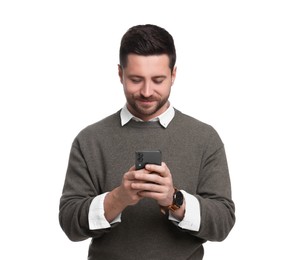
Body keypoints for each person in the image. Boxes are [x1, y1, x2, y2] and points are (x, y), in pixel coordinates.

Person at [59, 24, 235, 260]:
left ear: (173, 75)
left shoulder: (204, 138)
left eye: (158, 80)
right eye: (135, 79)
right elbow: (70, 223)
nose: (146, 91)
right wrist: (119, 198)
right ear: (120, 74)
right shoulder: (90, 140)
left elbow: (223, 223)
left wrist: (173, 200)